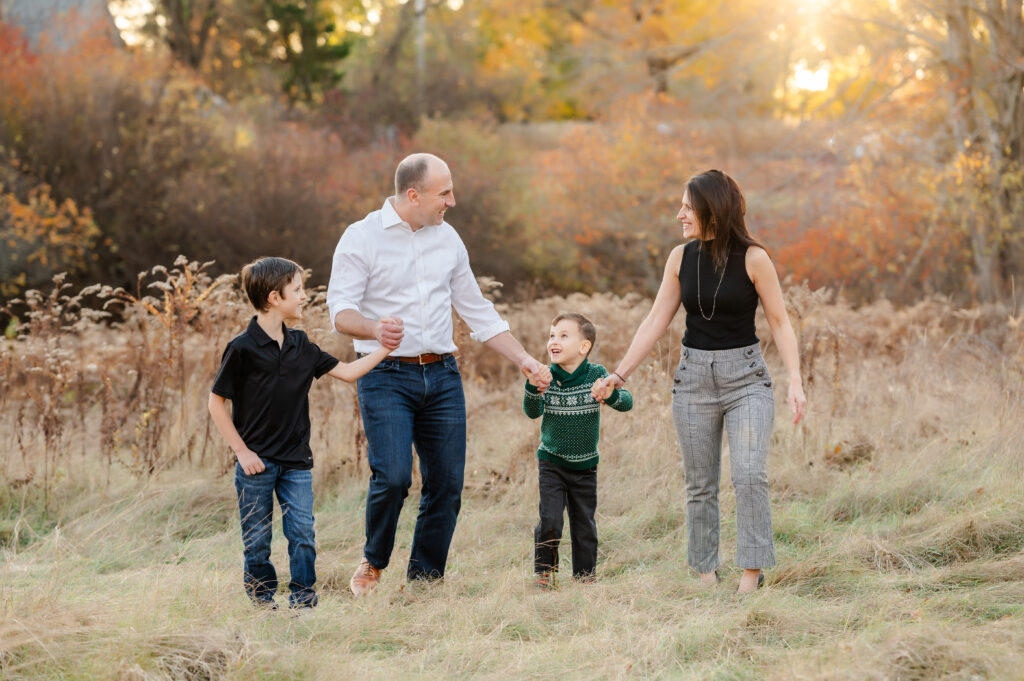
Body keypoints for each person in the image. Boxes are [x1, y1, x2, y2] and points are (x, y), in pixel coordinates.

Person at [327, 153, 552, 596]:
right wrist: (374, 328)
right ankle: (373, 561)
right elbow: (340, 312)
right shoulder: (361, 237)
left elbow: (477, 310)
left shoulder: (448, 239)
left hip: (442, 375)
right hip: (384, 375)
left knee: (446, 484)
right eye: (444, 192)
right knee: (393, 477)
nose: (453, 200)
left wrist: (524, 358)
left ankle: (425, 583)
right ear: (414, 195)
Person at [593, 169, 807, 594]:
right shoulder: (680, 258)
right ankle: (705, 573)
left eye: (688, 208)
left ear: (713, 210)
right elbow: (656, 321)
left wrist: (795, 380)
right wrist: (619, 374)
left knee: (748, 475)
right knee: (700, 483)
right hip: (693, 381)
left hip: (746, 379)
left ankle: (751, 573)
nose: (680, 215)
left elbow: (781, 323)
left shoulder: (754, 258)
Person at [208, 257, 391, 609]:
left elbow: (350, 372)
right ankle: (262, 603)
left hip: (296, 462)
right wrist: (242, 453)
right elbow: (216, 403)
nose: (305, 296)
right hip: (255, 465)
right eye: (298, 289)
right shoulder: (242, 348)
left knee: (303, 535)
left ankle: (303, 603)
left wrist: (386, 347)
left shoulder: (301, 346)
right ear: (275, 297)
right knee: (257, 540)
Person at [523, 313, 633, 588]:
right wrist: (533, 387)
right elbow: (532, 412)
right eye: (551, 335)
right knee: (550, 519)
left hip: (585, 466)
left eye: (562, 335)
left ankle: (585, 577)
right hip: (552, 461)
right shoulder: (546, 375)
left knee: (584, 524)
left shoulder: (596, 375)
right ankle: (544, 573)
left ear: (584, 346)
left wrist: (610, 394)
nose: (553, 341)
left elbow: (627, 402)